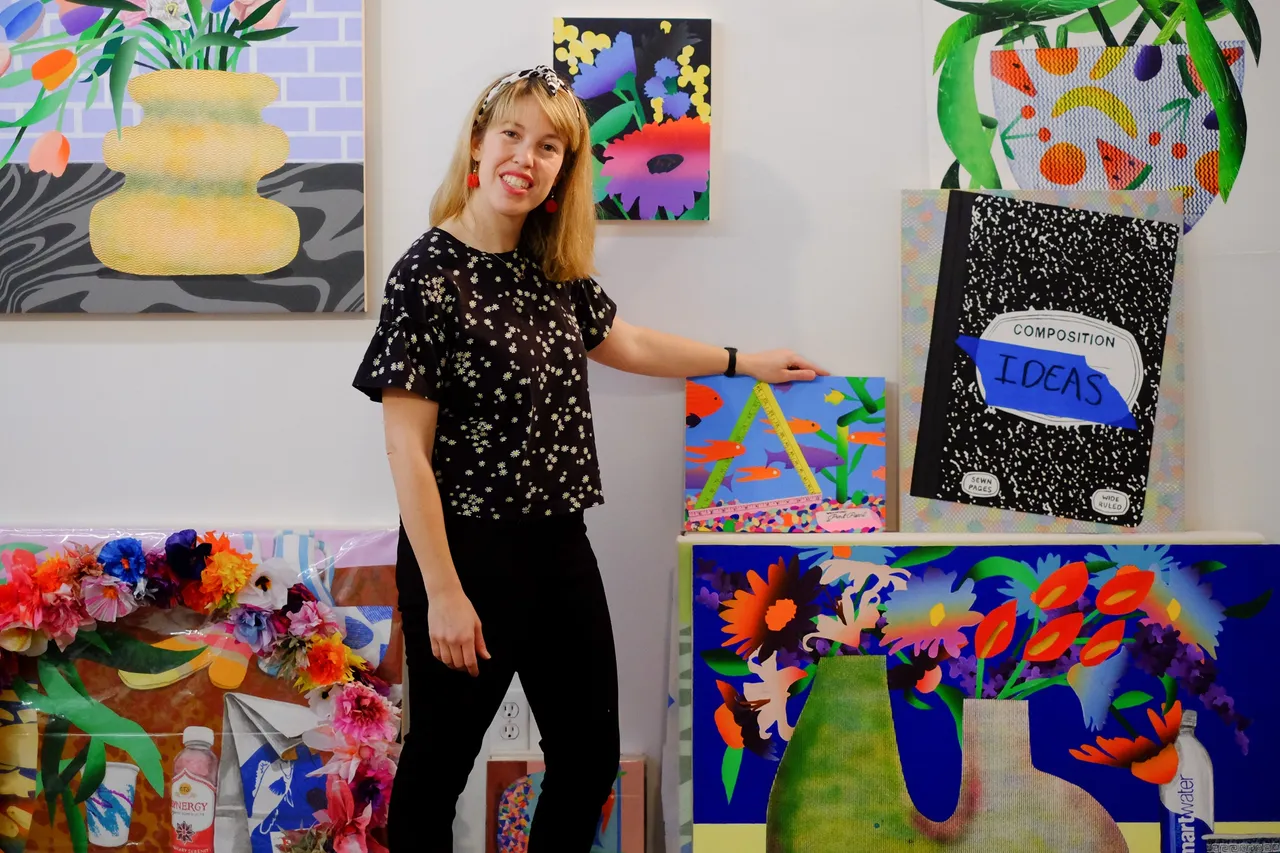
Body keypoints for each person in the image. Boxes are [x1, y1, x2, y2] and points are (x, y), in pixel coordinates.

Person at [351, 65, 826, 851]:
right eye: (513, 134)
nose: (526, 158)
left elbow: (628, 340)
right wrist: (442, 590)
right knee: (440, 764)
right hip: (465, 552)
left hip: (559, 545)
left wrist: (744, 360)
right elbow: (407, 445)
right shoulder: (427, 272)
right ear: (478, 141)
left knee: (588, 755)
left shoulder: (553, 271)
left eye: (550, 147)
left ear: (564, 169)